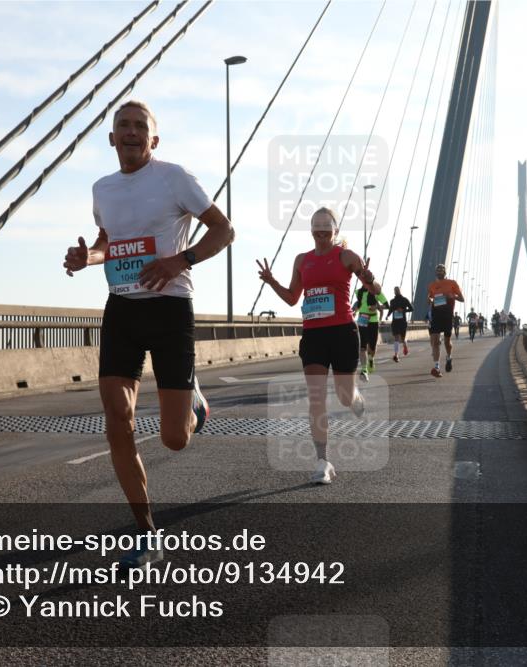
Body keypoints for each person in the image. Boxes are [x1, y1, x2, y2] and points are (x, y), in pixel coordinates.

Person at [63, 101, 234, 568]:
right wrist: (89, 259)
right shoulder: (103, 188)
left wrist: (181, 260)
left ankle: (195, 403)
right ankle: (146, 532)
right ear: (112, 138)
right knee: (117, 418)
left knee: (174, 439)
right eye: (124, 126)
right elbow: (106, 242)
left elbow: (224, 231)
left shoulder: (174, 177)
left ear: (153, 140)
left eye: (141, 127)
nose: (133, 132)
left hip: (171, 308)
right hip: (122, 308)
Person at [257, 207, 376, 485]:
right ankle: (323, 461)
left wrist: (369, 278)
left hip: (343, 332)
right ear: (311, 231)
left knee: (345, 397)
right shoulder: (302, 260)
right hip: (313, 335)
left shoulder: (346, 256)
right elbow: (291, 298)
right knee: (316, 398)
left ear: (334, 231)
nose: (321, 234)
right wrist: (271, 281)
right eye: (316, 229)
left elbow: (374, 290)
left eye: (326, 229)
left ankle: (355, 398)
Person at [426, 264, 464, 377]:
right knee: (435, 341)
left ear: (445, 272)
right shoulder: (432, 285)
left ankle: (449, 357)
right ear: (435, 272)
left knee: (447, 342)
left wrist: (453, 296)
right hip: (436, 315)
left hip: (447, 315)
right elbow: (430, 299)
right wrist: (429, 299)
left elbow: (462, 299)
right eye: (438, 270)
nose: (440, 272)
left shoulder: (452, 283)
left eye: (442, 270)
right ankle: (437, 367)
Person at [352, 284, 387, 381]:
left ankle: (371, 359)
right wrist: (355, 311)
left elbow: (386, 305)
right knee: (362, 346)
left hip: (373, 321)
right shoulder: (359, 292)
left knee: (372, 346)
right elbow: (359, 304)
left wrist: (376, 307)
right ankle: (364, 369)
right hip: (362, 319)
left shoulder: (376, 292)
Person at [385, 286, 413, 362]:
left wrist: (403, 310)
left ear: (400, 291)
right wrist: (387, 316)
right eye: (395, 290)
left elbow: (411, 309)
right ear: (394, 292)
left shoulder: (405, 300)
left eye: (397, 290)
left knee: (403, 338)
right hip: (395, 322)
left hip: (403, 322)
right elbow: (391, 309)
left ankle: (405, 346)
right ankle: (396, 355)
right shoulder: (392, 301)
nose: (396, 291)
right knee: (396, 338)